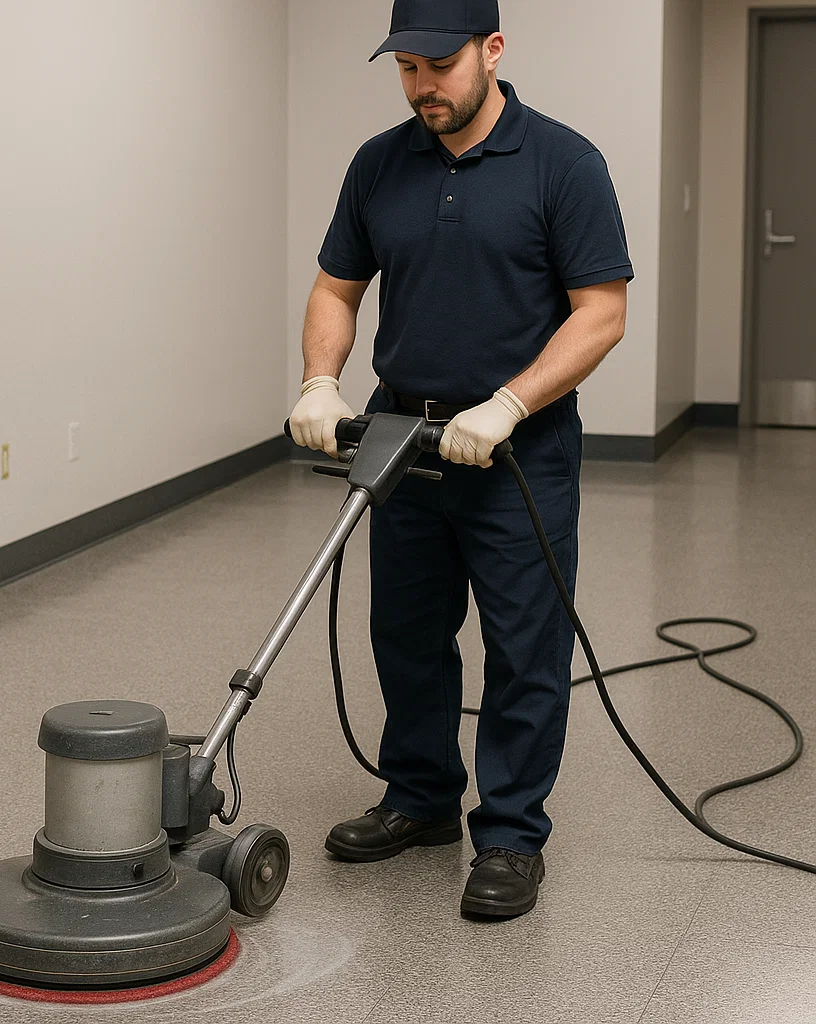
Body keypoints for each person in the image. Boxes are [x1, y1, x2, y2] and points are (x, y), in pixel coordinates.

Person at [289, 0, 634, 919]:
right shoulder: (379, 163)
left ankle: (513, 833)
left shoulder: (563, 161)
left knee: (524, 645)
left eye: (438, 66)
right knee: (406, 633)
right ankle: (420, 798)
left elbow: (601, 309)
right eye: (405, 68)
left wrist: (513, 400)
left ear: (491, 51)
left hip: (517, 446)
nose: (421, 87)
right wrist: (323, 380)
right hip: (403, 438)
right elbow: (336, 284)